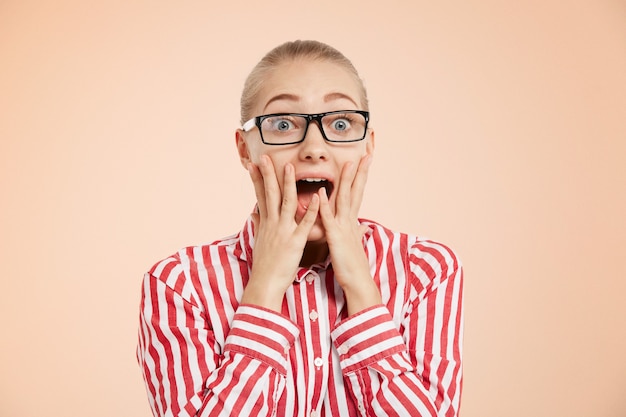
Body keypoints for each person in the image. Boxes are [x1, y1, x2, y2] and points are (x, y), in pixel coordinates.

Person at [137, 40, 464, 417]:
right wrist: (264, 287)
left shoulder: (426, 269)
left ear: (368, 147)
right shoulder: (179, 285)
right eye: (282, 124)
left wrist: (360, 286)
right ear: (245, 149)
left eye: (340, 123)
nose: (314, 147)